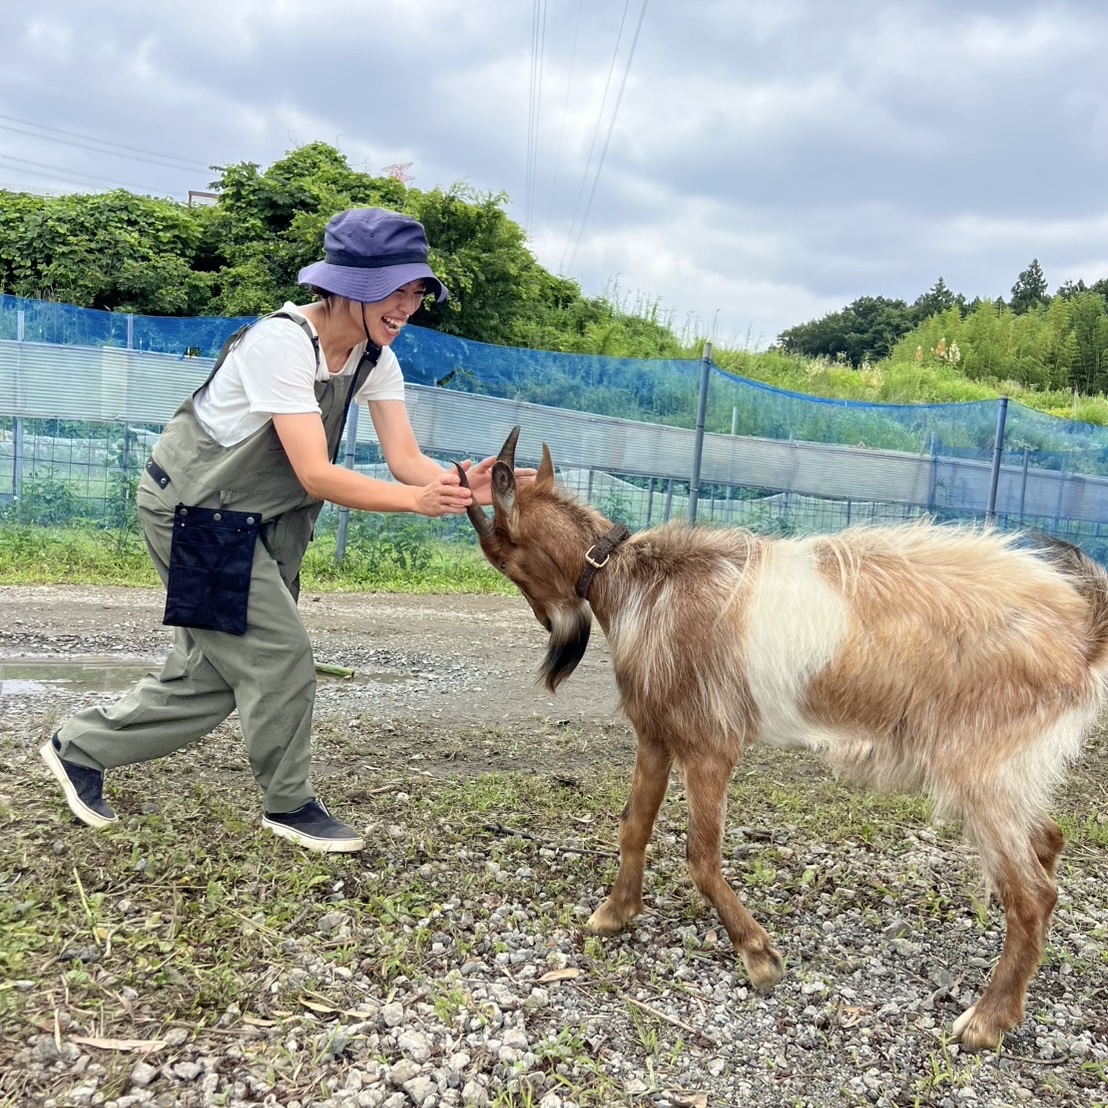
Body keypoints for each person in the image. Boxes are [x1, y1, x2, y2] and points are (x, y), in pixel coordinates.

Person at [41, 207, 513, 853]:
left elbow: (406, 461)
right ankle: (289, 805)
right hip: (197, 519)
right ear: (346, 283)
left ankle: (80, 747)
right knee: (278, 656)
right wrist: (414, 501)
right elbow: (317, 473)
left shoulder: (375, 359)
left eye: (416, 292)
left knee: (211, 677)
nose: (407, 305)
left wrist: (459, 486)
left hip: (261, 522)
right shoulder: (282, 343)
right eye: (395, 288)